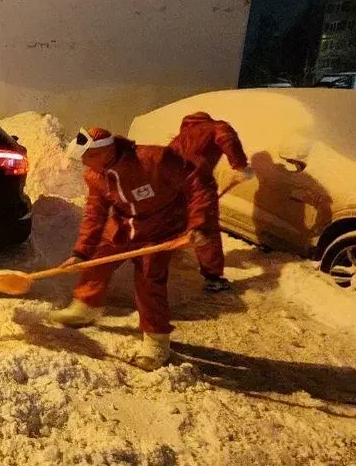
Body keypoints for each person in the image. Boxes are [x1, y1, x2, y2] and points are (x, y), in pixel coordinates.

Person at [49, 127, 216, 370]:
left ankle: (157, 340)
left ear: (105, 151)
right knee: (98, 260)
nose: (84, 164)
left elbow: (198, 183)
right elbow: (95, 214)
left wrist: (199, 223)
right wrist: (80, 252)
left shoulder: (154, 159)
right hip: (123, 225)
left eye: (87, 157)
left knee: (149, 279)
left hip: (162, 227)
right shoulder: (95, 176)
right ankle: (85, 308)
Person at [168, 112, 252, 293]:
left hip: (169, 181)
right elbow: (227, 138)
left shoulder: (181, 137)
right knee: (205, 226)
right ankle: (212, 277)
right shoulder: (216, 126)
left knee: (172, 220)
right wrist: (240, 165)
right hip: (198, 182)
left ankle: (161, 261)